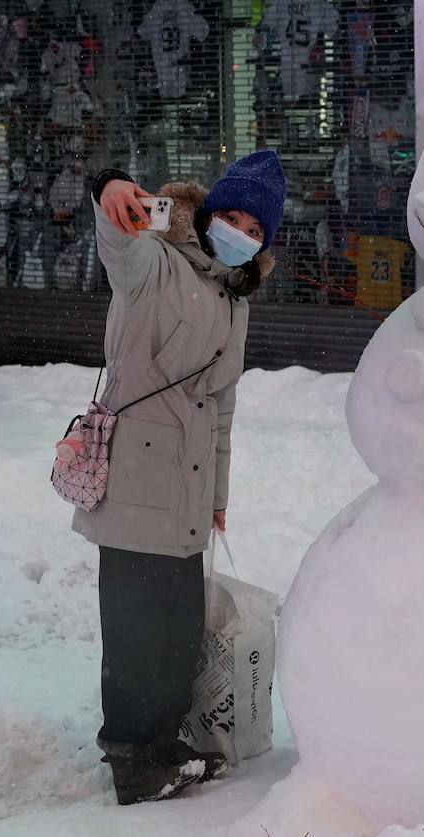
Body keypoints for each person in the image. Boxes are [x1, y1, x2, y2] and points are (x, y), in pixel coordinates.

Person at [73, 150, 286, 805]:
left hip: (188, 484)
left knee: (177, 628)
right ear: (207, 213)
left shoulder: (235, 299)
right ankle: (131, 756)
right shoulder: (155, 262)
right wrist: (108, 185)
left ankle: (164, 740)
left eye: (255, 226)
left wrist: (217, 497)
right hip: (136, 475)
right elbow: (117, 242)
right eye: (231, 215)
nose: (239, 231)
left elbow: (221, 409)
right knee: (135, 628)